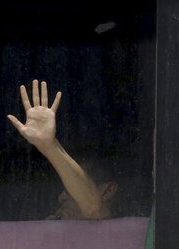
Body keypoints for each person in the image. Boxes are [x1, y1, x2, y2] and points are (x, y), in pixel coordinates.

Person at [7, 79, 118, 220]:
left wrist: (48, 146)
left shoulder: (122, 234)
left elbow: (93, 208)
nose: (61, 198)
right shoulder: (54, 226)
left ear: (107, 191)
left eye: (70, 188)